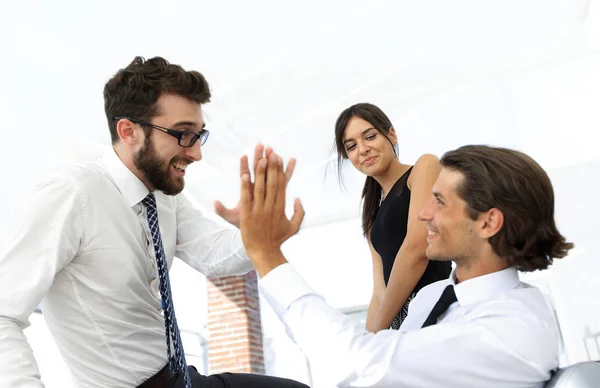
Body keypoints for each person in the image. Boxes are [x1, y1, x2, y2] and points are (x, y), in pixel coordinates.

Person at [0, 56, 308, 388]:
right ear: (128, 131)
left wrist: (258, 235)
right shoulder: (71, 195)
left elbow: (213, 256)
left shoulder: (162, 193)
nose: (196, 153)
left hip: (180, 378)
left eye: (198, 135)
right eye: (182, 134)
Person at [240, 145, 574, 388]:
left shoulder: (515, 329)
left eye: (439, 201)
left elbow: (362, 365)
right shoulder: (434, 295)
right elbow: (358, 363)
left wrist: (267, 255)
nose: (423, 213)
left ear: (488, 223)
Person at [334, 103, 451, 331]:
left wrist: (379, 332)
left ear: (391, 135)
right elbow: (379, 291)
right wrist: (368, 346)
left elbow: (418, 246)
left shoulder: (423, 167)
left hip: (437, 314)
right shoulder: (371, 215)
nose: (363, 149)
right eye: (352, 146)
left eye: (369, 136)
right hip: (399, 329)